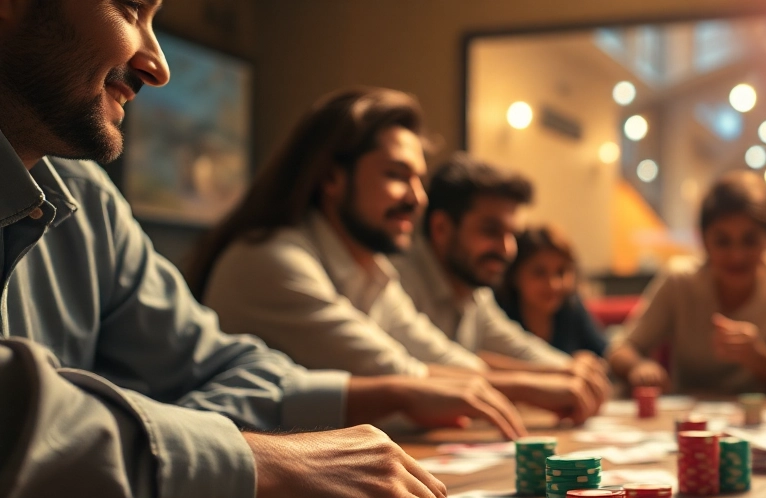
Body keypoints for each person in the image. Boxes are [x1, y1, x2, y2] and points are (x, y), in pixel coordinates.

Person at [0, 0, 521, 498]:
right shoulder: (271, 257)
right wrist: (255, 469)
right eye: (129, 8)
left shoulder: (84, 197)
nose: (157, 65)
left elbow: (218, 366)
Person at [196, 90, 601, 425]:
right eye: (396, 175)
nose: (417, 198)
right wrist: (538, 384)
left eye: (418, 179)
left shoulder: (373, 269)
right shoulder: (272, 259)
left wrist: (558, 375)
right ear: (333, 178)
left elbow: (436, 356)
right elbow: (400, 374)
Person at [395, 154, 609, 404]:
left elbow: (518, 347)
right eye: (491, 231)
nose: (507, 250)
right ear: (441, 228)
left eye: (512, 235)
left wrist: (569, 370)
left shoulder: (475, 291)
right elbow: (433, 363)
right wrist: (546, 380)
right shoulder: (396, 280)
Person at [607, 171, 766, 394]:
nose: (737, 255)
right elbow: (621, 349)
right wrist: (638, 367)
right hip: (688, 421)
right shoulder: (679, 280)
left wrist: (758, 358)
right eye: (722, 241)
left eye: (750, 240)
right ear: (704, 242)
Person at [495, 224, 609, 357]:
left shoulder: (571, 306)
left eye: (561, 272)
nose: (553, 285)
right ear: (514, 275)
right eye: (539, 273)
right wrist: (568, 364)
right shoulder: (497, 310)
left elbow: (605, 352)